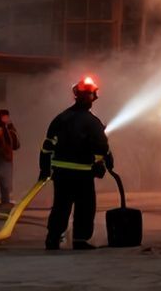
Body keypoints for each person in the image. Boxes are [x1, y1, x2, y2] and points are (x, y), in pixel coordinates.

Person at [40, 76, 112, 250]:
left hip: (61, 174)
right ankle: (80, 240)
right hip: (83, 174)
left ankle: (53, 238)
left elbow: (47, 147)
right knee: (85, 208)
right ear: (92, 97)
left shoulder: (60, 119)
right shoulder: (93, 123)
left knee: (60, 207)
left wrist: (44, 169)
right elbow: (102, 149)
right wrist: (104, 164)